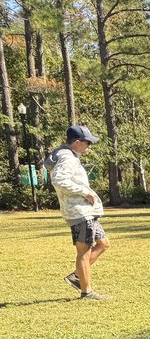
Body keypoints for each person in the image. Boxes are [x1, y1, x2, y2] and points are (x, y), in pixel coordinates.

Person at [45, 125, 109, 300]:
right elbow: (58, 180)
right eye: (87, 142)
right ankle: (86, 291)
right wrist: (84, 192)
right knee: (84, 251)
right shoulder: (67, 158)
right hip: (78, 211)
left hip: (87, 211)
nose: (89, 145)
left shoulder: (71, 156)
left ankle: (76, 276)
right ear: (77, 142)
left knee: (103, 243)